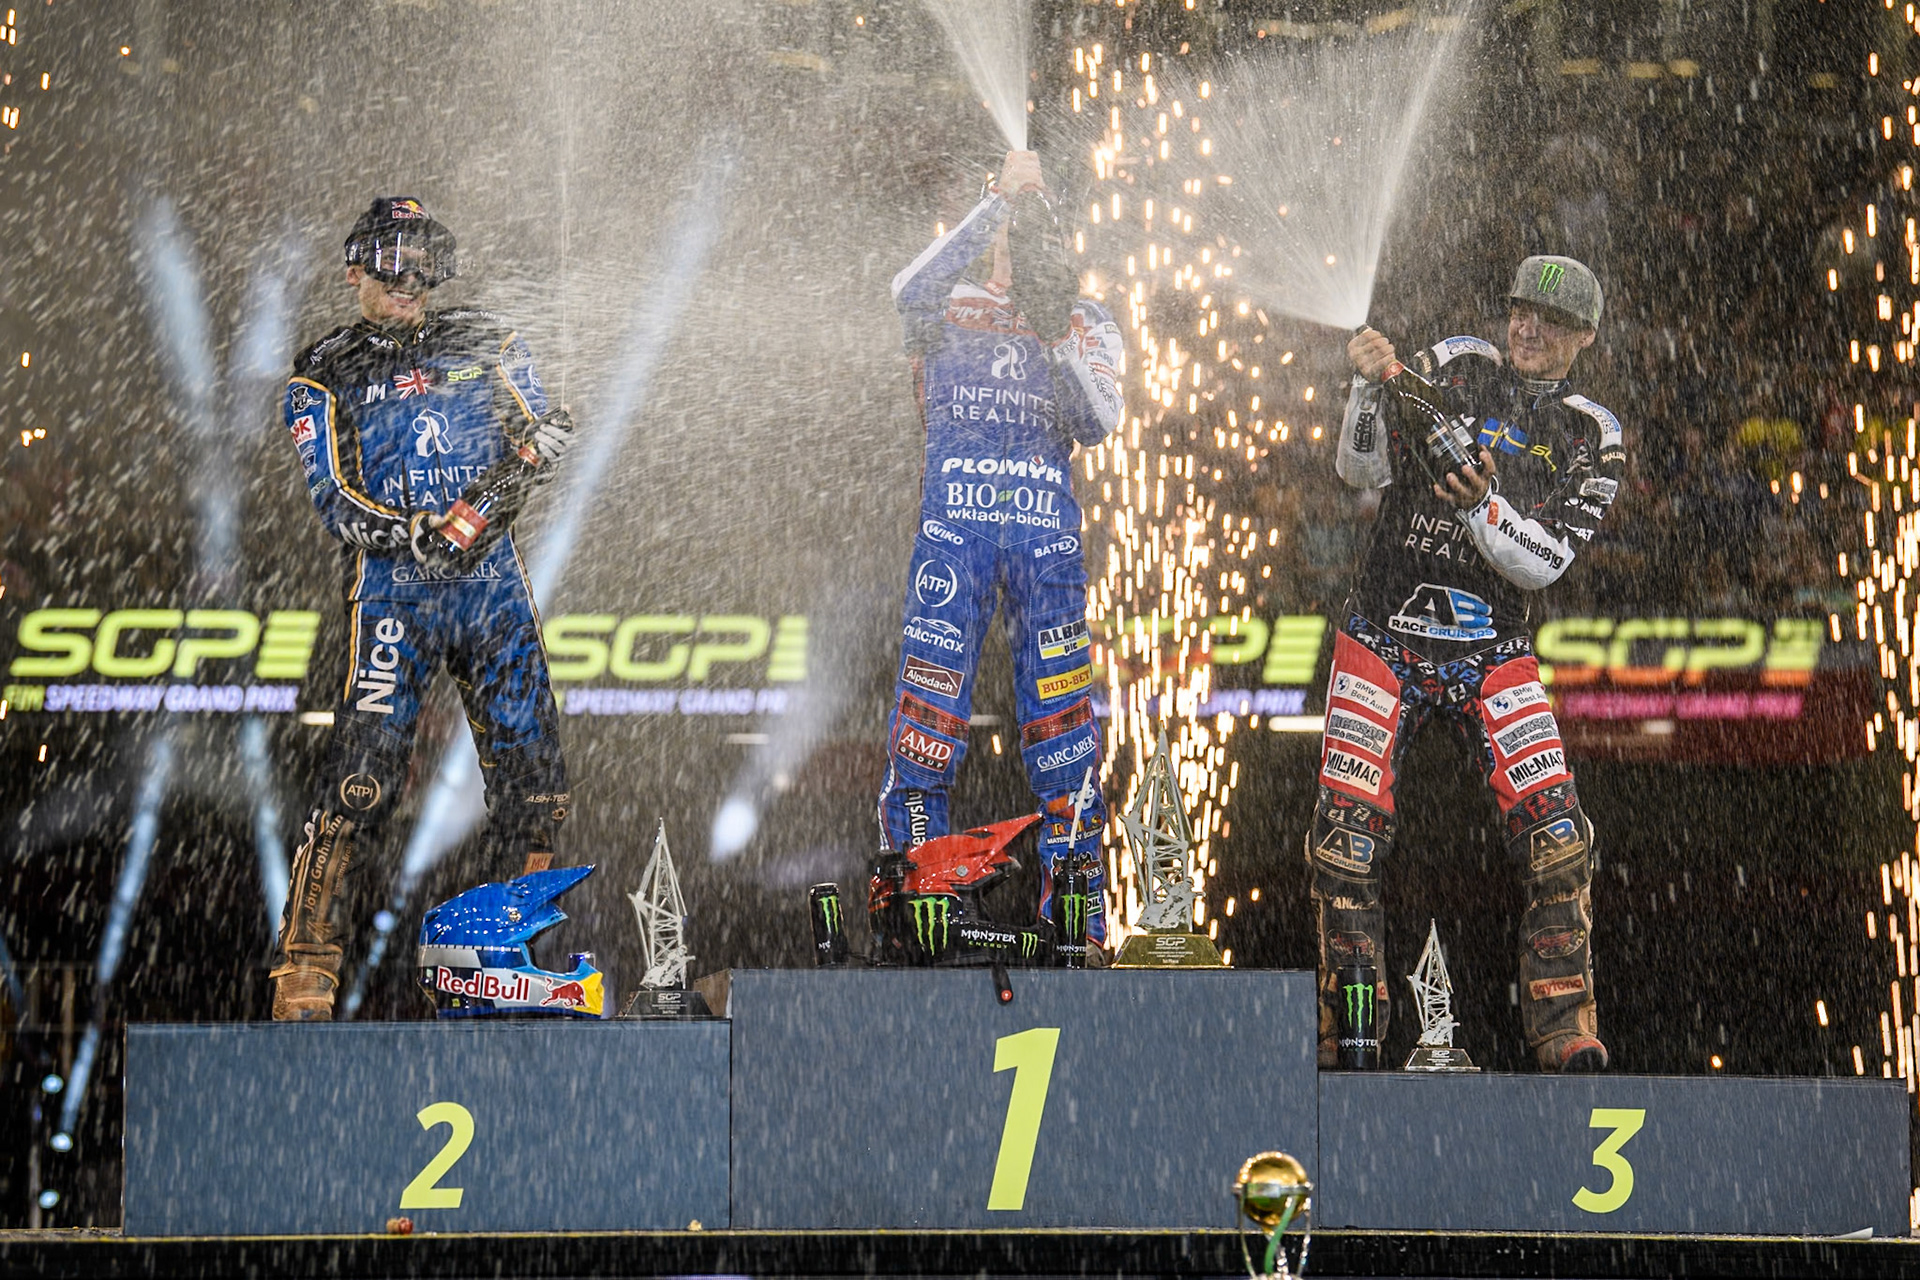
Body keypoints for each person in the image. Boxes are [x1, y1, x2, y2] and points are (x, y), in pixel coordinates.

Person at [268, 196, 576, 1020]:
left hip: (493, 589)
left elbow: (544, 427)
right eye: (393, 261)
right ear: (356, 268)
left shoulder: (487, 335)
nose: (411, 280)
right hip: (394, 599)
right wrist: (411, 534)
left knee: (535, 786)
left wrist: (540, 446)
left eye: (425, 263)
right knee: (362, 785)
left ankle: (513, 962)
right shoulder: (322, 367)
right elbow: (330, 497)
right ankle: (304, 973)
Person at [1314, 255, 1624, 1071]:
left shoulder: (1595, 430)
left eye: (1550, 322)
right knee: (1345, 839)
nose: (1527, 328)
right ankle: (1351, 1024)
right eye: (1520, 310)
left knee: (1559, 838)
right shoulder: (1454, 363)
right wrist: (1366, 390)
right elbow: (1359, 468)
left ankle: (1564, 1027)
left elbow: (1545, 560)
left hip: (1493, 650)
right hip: (1383, 630)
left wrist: (1484, 504)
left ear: (1584, 338)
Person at [875, 150, 1125, 958]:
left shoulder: (1090, 319)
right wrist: (994, 203)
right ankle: (915, 894)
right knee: (927, 722)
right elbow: (902, 291)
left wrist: (1053, 329)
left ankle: (1077, 914)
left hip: (1047, 546)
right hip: (956, 534)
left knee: (1065, 738)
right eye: (1014, 223)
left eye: (1037, 220)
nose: (1022, 236)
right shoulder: (948, 300)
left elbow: (1095, 420)